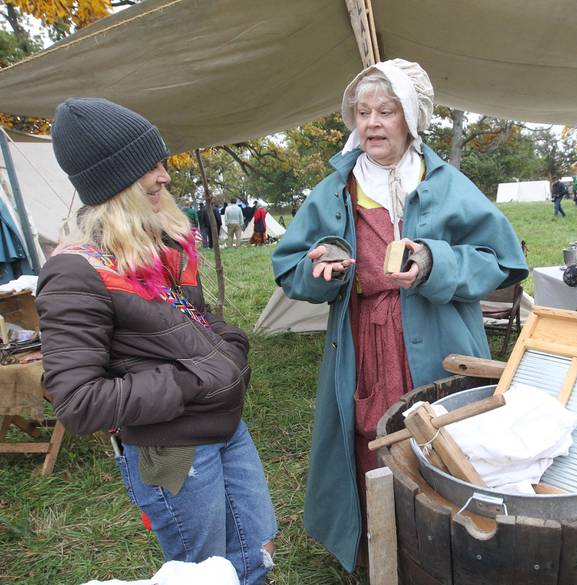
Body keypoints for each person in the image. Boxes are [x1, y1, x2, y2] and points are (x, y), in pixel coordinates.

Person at [271, 59, 528, 572]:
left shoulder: (447, 183)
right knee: (370, 436)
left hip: (441, 336)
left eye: (385, 111)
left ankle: (448, 549)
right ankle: (380, 548)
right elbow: (289, 268)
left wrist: (436, 261)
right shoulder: (335, 191)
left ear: (410, 118)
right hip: (366, 340)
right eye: (362, 112)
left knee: (447, 439)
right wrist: (323, 268)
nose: (371, 123)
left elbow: (503, 264)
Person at [38, 98, 277, 584]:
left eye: (162, 161)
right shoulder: (75, 271)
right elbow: (78, 402)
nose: (164, 176)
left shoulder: (158, 246)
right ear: (114, 182)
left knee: (256, 552)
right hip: (174, 453)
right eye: (148, 167)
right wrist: (195, 380)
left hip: (226, 428)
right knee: (201, 573)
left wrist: (229, 353)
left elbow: (202, 321)